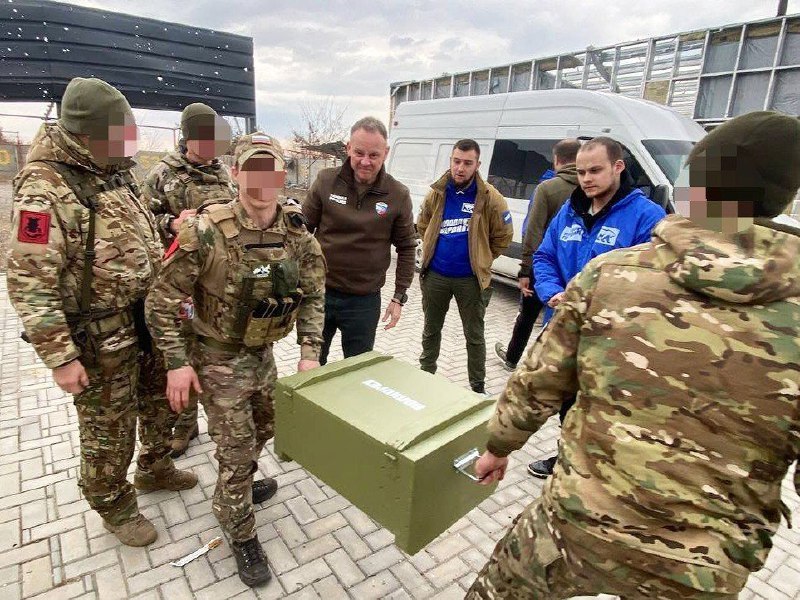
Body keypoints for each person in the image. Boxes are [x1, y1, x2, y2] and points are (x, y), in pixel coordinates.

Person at [466, 111, 800, 600]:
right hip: (702, 566)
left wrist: (498, 447)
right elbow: (546, 256)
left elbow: (537, 382)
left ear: (698, 185)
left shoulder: (612, 276)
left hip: (577, 527)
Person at [7, 77, 197, 547]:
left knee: (161, 404)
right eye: (118, 135)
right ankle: (113, 503)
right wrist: (60, 358)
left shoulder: (114, 169)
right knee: (109, 428)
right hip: (100, 336)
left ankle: (155, 469)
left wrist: (169, 226)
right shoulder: (45, 188)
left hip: (147, 322)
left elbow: (136, 224)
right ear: (84, 134)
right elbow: (29, 280)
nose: (127, 144)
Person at [146, 133, 326, 587]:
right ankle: (239, 528)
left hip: (262, 355)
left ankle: (240, 484)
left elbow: (315, 293)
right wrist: (175, 362)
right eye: (253, 168)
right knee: (236, 447)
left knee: (266, 427)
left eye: (270, 168)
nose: (262, 179)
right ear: (236, 173)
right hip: (216, 356)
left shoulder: (296, 231)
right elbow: (161, 299)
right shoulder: (205, 229)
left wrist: (309, 353)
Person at [527, 136, 666, 478]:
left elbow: (651, 284)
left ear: (618, 167)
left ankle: (597, 468)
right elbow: (543, 256)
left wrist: (593, 305)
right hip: (563, 327)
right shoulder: (569, 210)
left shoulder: (647, 217)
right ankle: (566, 458)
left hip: (613, 340)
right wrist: (552, 292)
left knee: (602, 408)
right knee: (566, 402)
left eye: (596, 170)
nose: (587, 178)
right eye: (583, 171)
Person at [141, 102, 236, 457]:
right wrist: (170, 224)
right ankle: (183, 426)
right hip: (180, 280)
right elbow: (141, 220)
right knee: (180, 351)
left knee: (212, 348)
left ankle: (218, 421)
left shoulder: (223, 173)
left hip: (216, 282)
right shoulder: (163, 174)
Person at [302, 117, 416, 364]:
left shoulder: (398, 194)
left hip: (364, 301)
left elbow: (407, 247)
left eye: (374, 155)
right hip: (320, 294)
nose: (365, 161)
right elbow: (300, 232)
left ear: (385, 153)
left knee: (357, 371)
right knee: (310, 366)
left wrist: (399, 296)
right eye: (359, 153)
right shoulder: (325, 181)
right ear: (348, 149)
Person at [417, 139, 514, 394]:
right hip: (436, 275)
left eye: (467, 163)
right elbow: (423, 225)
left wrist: (482, 258)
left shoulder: (491, 198)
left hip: (470, 280)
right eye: (456, 161)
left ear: (477, 165)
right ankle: (425, 376)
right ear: (451, 160)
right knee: (430, 330)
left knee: (474, 336)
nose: (460, 168)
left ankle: (477, 386)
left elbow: (503, 236)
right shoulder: (437, 193)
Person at [495, 139, 580, 372]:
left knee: (527, 315)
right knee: (561, 320)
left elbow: (532, 231)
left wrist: (525, 269)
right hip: (576, 268)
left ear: (557, 160)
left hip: (544, 266)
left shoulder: (548, 188)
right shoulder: (591, 188)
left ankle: (513, 359)